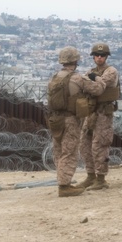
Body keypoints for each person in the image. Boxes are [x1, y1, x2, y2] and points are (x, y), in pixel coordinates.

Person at [46, 47, 104, 197]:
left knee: (59, 150)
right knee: (69, 151)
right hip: (70, 119)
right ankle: (64, 186)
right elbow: (98, 89)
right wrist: (96, 77)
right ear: (75, 61)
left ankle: (62, 180)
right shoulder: (77, 78)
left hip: (55, 119)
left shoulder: (54, 77)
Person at [78, 43, 120, 191]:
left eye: (102, 55)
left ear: (106, 57)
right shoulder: (90, 71)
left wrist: (93, 80)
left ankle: (101, 178)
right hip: (91, 112)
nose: (99, 58)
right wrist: (93, 80)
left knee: (99, 145)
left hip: (103, 112)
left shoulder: (111, 71)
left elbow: (96, 89)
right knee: (85, 144)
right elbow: (82, 86)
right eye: (96, 55)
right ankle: (91, 176)